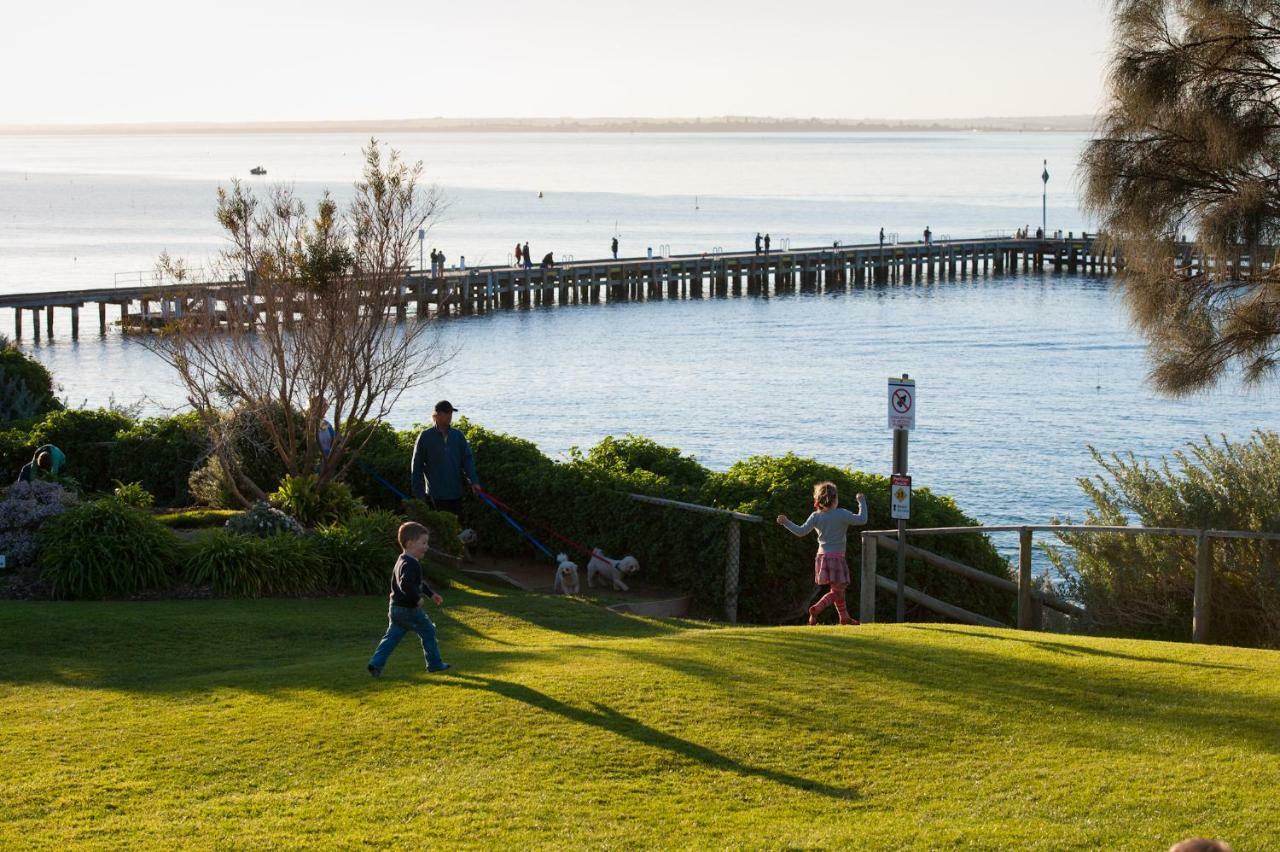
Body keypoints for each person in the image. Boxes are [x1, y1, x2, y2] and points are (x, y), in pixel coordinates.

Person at [777, 481, 868, 626]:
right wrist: (861, 502)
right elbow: (862, 519)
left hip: (822, 557)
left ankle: (844, 618)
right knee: (838, 590)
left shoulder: (816, 516)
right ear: (835, 499)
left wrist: (786, 522)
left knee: (837, 589)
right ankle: (817, 608)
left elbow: (801, 532)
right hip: (837, 557)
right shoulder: (842, 514)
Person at [367, 522, 450, 677]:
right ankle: (434, 664)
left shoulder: (402, 560)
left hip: (395, 609)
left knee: (392, 636)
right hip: (409, 609)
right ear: (410, 543)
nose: (427, 546)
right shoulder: (411, 563)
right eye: (423, 543)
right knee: (428, 631)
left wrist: (431, 594)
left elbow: (416, 583)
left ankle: (375, 664)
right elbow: (406, 584)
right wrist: (416, 599)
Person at [410, 400, 481, 517]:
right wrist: (419, 494)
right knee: (439, 530)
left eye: (451, 413)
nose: (449, 416)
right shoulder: (425, 436)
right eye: (446, 413)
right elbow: (416, 466)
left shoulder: (458, 435)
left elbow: (467, 459)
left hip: (456, 493)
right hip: (435, 495)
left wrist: (474, 481)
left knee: (456, 528)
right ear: (436, 415)